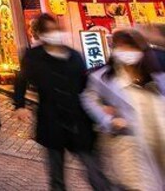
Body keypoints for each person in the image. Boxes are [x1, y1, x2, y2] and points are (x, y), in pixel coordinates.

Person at [13, 14, 112, 191]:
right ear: (41, 34)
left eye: (56, 30)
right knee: (56, 174)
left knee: (95, 170)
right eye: (48, 31)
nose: (54, 34)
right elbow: (21, 80)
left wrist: (101, 105)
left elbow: (87, 85)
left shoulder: (74, 55)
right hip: (52, 121)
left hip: (79, 120)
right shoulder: (33, 56)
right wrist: (19, 105)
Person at [82, 29, 165, 190]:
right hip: (130, 143)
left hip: (159, 137)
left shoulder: (156, 74)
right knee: (139, 185)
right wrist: (108, 120)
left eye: (130, 47)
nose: (126, 52)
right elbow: (88, 98)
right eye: (121, 47)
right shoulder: (104, 77)